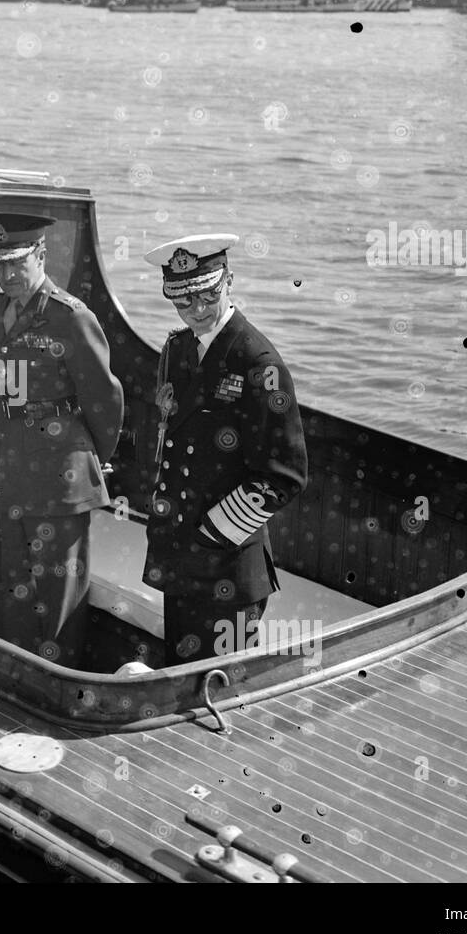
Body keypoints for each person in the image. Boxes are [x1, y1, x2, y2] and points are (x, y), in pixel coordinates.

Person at [141, 234, 307, 666]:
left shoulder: (259, 364)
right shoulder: (177, 349)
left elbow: (285, 474)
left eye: (207, 295)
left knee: (217, 687)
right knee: (179, 675)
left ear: (229, 280)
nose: (196, 309)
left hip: (227, 564)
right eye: (182, 300)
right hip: (180, 557)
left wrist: (213, 533)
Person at [0, 213, 124, 666]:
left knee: (60, 593)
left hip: (63, 477)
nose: (5, 275)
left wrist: (89, 462)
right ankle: (21, 675)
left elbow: (105, 398)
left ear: (41, 255)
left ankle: (62, 685)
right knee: (15, 585)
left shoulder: (70, 317)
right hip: (14, 470)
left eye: (16, 263)